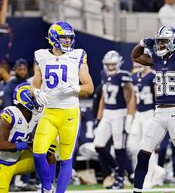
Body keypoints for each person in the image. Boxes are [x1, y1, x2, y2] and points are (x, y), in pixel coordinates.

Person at [131, 25, 175, 193]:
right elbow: (135, 56)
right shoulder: (156, 58)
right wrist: (142, 42)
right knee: (143, 155)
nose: (160, 45)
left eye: (163, 41)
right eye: (159, 41)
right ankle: (137, 190)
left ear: (173, 41)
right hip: (158, 113)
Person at [31, 21, 94, 193]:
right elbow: (35, 85)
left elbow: (89, 87)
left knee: (66, 159)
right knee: (38, 153)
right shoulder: (41, 55)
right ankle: (46, 187)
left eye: (69, 38)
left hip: (69, 114)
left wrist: (75, 88)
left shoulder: (78, 55)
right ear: (53, 38)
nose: (67, 41)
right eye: (63, 37)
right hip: (49, 112)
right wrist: (36, 93)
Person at [0, 83, 56, 193]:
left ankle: (48, 188)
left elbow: (27, 133)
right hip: (2, 163)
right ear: (25, 99)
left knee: (49, 156)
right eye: (34, 97)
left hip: (19, 159)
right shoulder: (10, 114)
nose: (38, 100)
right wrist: (24, 145)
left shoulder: (35, 115)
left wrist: (34, 143)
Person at [93, 50, 136, 189]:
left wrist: (129, 116)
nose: (110, 67)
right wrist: (99, 117)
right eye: (108, 65)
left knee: (119, 147)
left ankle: (119, 179)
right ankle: (119, 170)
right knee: (99, 145)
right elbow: (103, 98)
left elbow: (131, 97)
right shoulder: (103, 74)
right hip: (107, 113)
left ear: (118, 64)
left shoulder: (124, 76)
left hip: (120, 113)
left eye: (113, 65)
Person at [127, 62, 166, 188]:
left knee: (148, 148)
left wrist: (158, 114)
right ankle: (156, 171)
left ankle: (148, 177)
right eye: (136, 61)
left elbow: (157, 97)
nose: (137, 63)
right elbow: (133, 98)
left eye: (140, 60)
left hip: (150, 113)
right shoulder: (134, 77)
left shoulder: (153, 76)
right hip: (139, 114)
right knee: (132, 146)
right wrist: (130, 117)